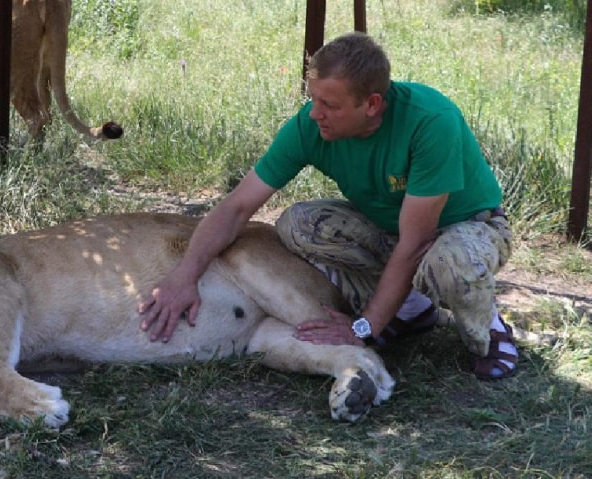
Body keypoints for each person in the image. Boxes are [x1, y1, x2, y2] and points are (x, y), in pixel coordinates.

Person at [137, 32, 518, 380]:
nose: (315, 113)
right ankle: (411, 310)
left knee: (451, 262)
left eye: (329, 104)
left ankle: (489, 331)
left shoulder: (431, 121)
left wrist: (363, 328)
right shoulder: (310, 127)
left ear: (371, 104)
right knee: (299, 224)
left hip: (464, 229)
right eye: (313, 98)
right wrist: (184, 275)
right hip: (390, 231)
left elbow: (416, 242)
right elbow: (237, 206)